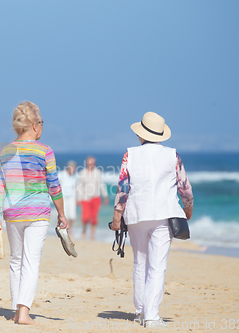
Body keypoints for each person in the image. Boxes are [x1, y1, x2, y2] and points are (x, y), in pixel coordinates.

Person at [110, 112, 194, 328]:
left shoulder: (130, 154)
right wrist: (188, 208)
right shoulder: (172, 155)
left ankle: (139, 312)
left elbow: (123, 187)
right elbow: (184, 186)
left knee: (140, 263)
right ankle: (151, 316)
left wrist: (117, 216)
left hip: (137, 214)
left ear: (141, 135)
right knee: (157, 265)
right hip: (164, 214)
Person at [0, 101, 69, 325]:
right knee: (30, 261)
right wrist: (62, 214)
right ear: (34, 125)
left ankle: (18, 310)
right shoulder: (45, 151)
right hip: (37, 213)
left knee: (16, 260)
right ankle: (23, 313)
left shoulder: (5, 151)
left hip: (12, 213)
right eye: (41, 122)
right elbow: (54, 186)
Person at [76, 156, 109, 240]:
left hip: (95, 197)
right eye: (89, 163)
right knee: (85, 218)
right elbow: (79, 186)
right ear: (86, 163)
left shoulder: (97, 172)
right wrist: (78, 198)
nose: (91, 165)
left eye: (93, 163)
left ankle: (92, 235)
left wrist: (105, 196)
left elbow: (101, 184)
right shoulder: (82, 173)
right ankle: (84, 231)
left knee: (94, 218)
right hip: (85, 198)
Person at [58, 160, 77, 237]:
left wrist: (77, 197)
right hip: (63, 198)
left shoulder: (73, 176)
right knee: (64, 215)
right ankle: (63, 229)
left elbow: (74, 187)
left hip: (71, 197)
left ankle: (70, 229)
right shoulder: (61, 174)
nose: (74, 170)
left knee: (72, 216)